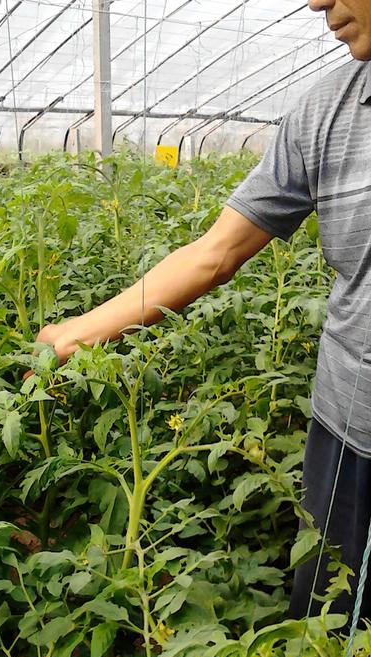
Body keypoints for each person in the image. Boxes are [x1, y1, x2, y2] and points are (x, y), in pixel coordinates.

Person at [34, 0, 371, 623]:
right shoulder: (327, 110)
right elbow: (215, 253)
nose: (318, 2)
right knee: (330, 625)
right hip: (351, 426)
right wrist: (79, 333)